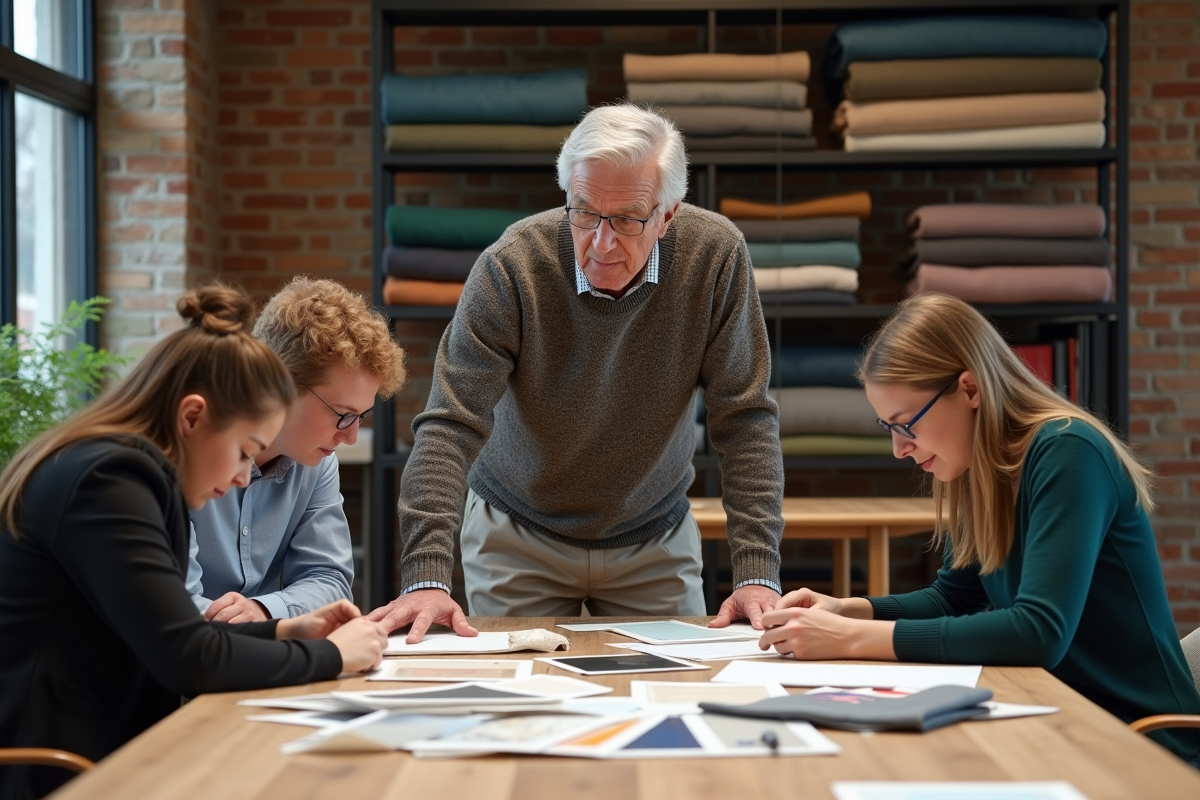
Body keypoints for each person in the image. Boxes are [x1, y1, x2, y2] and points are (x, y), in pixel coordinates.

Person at [369, 103, 784, 642]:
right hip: (517, 529)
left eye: (629, 219)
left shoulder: (716, 255)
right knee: (522, 702)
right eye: (584, 213)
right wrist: (425, 576)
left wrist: (756, 572)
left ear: (669, 214)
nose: (602, 242)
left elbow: (744, 417)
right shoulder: (513, 265)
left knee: (673, 695)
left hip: (652, 534)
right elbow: (451, 421)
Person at [757, 292, 1200, 764]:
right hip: (1061, 722)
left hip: (1142, 744)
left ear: (969, 389)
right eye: (887, 427)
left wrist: (849, 638)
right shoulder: (980, 470)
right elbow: (953, 597)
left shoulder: (1069, 450)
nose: (898, 450)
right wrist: (849, 610)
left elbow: (1038, 632)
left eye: (906, 425)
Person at [0, 285, 388, 800]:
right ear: (191, 417)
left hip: (116, 744)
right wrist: (331, 657)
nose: (246, 478)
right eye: (245, 450)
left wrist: (286, 630)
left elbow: (173, 636)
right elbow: (187, 655)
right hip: (57, 769)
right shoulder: (110, 479)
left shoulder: (131, 471)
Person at [186, 276, 407, 622]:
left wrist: (262, 609)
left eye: (362, 416)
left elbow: (331, 580)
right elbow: (166, 606)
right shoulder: (187, 449)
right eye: (343, 415)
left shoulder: (318, 462)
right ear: (281, 384)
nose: (350, 438)